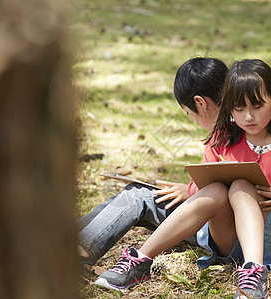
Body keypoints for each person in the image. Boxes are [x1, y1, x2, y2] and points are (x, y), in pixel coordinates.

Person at [95, 59, 271, 299]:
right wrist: (211, 177)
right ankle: (140, 261)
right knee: (217, 189)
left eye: (257, 106)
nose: (248, 116)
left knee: (241, 185)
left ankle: (254, 278)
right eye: (238, 109)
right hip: (230, 239)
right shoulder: (222, 137)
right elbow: (198, 189)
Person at [77, 57, 228, 274]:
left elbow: (227, 185)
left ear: (200, 103)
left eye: (188, 113)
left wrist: (191, 190)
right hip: (208, 220)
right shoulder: (239, 126)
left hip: (214, 228)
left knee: (137, 196)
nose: (191, 120)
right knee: (130, 195)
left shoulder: (228, 134)